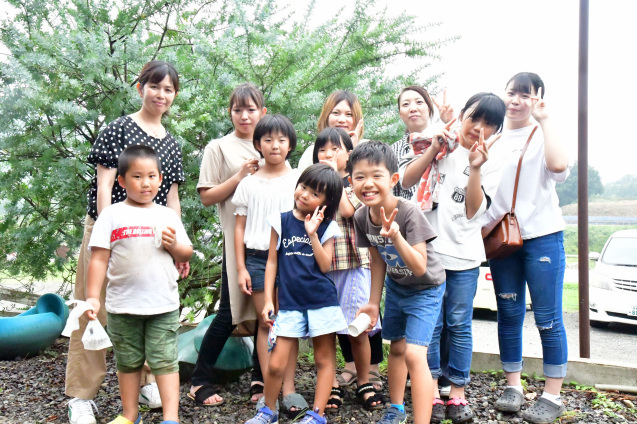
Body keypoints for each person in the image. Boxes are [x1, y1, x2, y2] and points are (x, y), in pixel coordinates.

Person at [66, 60, 187, 424]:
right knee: (94, 308)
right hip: (111, 230)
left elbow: (173, 198)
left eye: (168, 89)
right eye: (154, 86)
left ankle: (149, 380)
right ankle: (81, 395)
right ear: (141, 88)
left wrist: (177, 243)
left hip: (156, 235)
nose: (161, 94)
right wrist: (108, 231)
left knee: (147, 306)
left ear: (174, 95)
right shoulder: (118, 129)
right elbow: (105, 184)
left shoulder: (171, 144)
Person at [400, 93, 506, 423]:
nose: (479, 128)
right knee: (430, 326)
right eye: (475, 118)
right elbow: (406, 181)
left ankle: (457, 390)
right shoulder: (439, 141)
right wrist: (434, 146)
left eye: (490, 124)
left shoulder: (493, 159)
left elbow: (474, 210)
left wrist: (475, 168)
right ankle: (431, 389)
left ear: (496, 131)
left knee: (459, 324)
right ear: (462, 115)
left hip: (464, 255)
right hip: (428, 253)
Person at [481, 72, 571, 424]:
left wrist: (545, 119)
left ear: (537, 98)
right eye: (510, 93)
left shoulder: (543, 133)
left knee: (548, 318)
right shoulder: (494, 139)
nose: (515, 100)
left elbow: (559, 166)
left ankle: (552, 395)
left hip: (543, 235)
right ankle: (513, 386)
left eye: (524, 94)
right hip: (503, 241)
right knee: (509, 314)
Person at [84, 145, 193, 424]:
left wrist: (175, 246)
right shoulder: (111, 215)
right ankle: (130, 414)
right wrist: (93, 297)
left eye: (151, 176)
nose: (145, 183)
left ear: (160, 179)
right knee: (128, 363)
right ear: (121, 180)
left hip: (162, 305)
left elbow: (185, 254)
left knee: (164, 362)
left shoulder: (167, 215)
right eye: (137, 176)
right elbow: (98, 259)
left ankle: (171, 417)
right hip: (122, 306)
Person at [349, 142, 446, 424]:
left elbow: (419, 266)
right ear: (351, 181)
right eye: (359, 177)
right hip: (396, 287)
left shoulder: (408, 213)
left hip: (425, 288)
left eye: (376, 175)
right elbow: (378, 259)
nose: (368, 183)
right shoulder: (360, 216)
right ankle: (396, 408)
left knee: (416, 354)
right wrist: (371, 302)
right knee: (397, 348)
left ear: (392, 179)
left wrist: (396, 236)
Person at [245, 164, 346, 424]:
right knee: (276, 363)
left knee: (324, 361)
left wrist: (312, 234)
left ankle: (317, 415)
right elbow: (271, 263)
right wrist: (268, 299)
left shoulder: (328, 227)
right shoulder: (281, 220)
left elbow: (325, 265)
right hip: (289, 304)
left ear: (327, 201)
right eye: (303, 187)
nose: (304, 195)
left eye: (314, 193)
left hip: (321, 302)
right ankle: (268, 411)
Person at [300, 90, 385, 391]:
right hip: (325, 265)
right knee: (329, 327)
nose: (328, 155)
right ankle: (333, 379)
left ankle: (366, 377)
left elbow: (349, 209)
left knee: (358, 323)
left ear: (349, 155)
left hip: (352, 262)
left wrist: (340, 172)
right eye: (323, 151)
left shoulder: (351, 182)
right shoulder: (314, 186)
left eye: (336, 150)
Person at [189, 83, 268, 406]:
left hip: (270, 244)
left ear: (263, 112)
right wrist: (238, 176)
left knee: (267, 314)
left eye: (251, 109)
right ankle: (199, 380)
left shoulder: (271, 144)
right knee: (229, 313)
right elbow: (207, 196)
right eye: (238, 110)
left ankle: (260, 379)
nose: (245, 116)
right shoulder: (218, 148)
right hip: (237, 243)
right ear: (230, 112)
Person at [232, 114, 306, 419]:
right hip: (258, 260)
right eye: (268, 139)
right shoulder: (248, 184)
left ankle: (288, 389)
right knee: (268, 322)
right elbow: (238, 228)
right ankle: (268, 387)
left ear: (290, 145)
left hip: (292, 258)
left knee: (288, 322)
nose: (274, 145)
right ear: (258, 144)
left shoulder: (300, 180)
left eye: (281, 139)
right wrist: (240, 268)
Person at [297, 90, 364, 170]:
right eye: (336, 113)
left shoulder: (368, 149)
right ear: (326, 117)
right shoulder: (311, 153)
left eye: (349, 114)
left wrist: (353, 150)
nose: (342, 120)